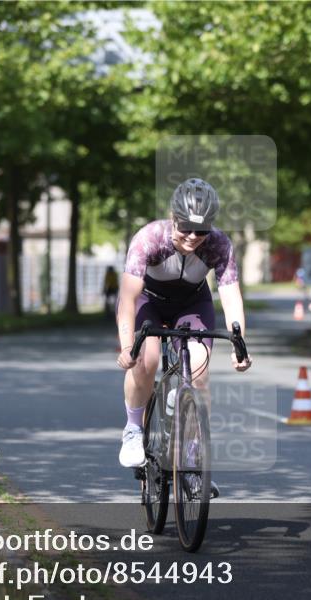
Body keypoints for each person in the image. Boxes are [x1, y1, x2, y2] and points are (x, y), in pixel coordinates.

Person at [115, 178, 252, 469]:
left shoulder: (219, 244)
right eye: (185, 227)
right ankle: (133, 430)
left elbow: (230, 295)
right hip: (147, 301)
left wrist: (240, 346)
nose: (192, 236)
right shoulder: (149, 238)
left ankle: (193, 456)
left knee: (200, 372)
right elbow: (128, 299)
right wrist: (127, 346)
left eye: (201, 230)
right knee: (146, 360)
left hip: (192, 302)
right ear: (172, 218)